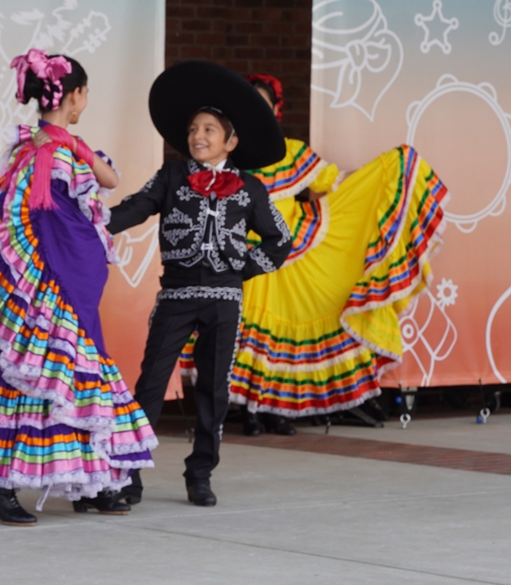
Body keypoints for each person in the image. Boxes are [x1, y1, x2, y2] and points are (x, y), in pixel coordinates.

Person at [0, 49, 156, 526]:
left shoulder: (48, 148)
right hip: (54, 284)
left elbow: (104, 181)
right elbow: (58, 220)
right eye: (85, 94)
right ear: (76, 95)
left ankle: (88, 483)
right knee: (32, 374)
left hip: (62, 281)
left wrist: (70, 141)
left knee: (65, 377)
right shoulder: (46, 154)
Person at [182, 73, 448, 433]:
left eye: (265, 105)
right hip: (245, 257)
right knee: (245, 334)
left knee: (285, 340)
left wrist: (382, 173)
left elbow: (334, 182)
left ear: (275, 111)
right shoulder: (229, 155)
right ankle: (249, 413)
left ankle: (276, 412)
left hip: (289, 253)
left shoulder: (292, 151)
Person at [108, 61, 290, 507]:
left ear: (231, 141)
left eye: (209, 129)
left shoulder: (250, 187)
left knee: (213, 389)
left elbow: (280, 239)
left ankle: (201, 473)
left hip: (224, 301)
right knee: (151, 384)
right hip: (176, 295)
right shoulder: (172, 176)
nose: (198, 136)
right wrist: (92, 223)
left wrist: (242, 267)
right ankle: (128, 474)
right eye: (193, 129)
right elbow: (136, 207)